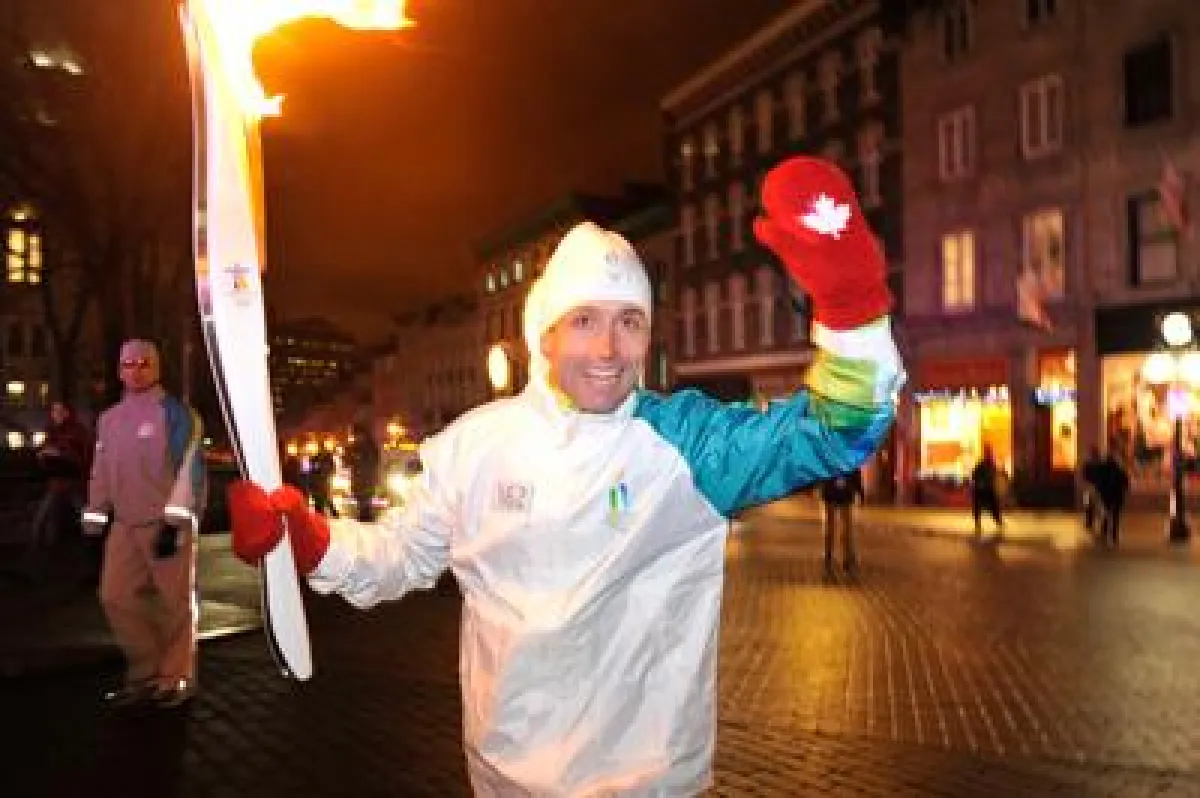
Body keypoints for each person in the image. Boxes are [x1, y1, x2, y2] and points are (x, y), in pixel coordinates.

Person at [228, 156, 904, 795]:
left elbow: (836, 431)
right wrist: (309, 538)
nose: (608, 349)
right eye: (584, 321)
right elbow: (397, 558)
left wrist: (852, 306)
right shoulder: (476, 446)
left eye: (629, 322)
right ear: (544, 335)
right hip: (507, 777)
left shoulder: (688, 445)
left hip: (648, 785)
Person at [82, 339, 207, 709]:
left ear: (157, 367)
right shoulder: (109, 419)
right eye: (128, 364)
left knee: (176, 604)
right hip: (124, 524)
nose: (135, 371)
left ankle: (176, 677)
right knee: (114, 596)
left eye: (144, 363)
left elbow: (190, 470)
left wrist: (175, 521)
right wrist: (95, 515)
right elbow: (100, 470)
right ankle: (146, 671)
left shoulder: (178, 414)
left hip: (165, 523)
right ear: (119, 369)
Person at [26, 401, 93, 570]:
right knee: (46, 519)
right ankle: (44, 556)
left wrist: (61, 454)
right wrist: (44, 456)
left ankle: (94, 548)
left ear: (67, 412)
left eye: (60, 411)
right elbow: (43, 456)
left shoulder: (77, 431)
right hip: (57, 483)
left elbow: (83, 458)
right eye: (54, 411)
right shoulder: (51, 431)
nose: (56, 414)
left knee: (85, 515)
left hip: (74, 482)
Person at [820, 467, 865, 573]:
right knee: (846, 525)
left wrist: (822, 488)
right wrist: (860, 491)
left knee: (830, 524)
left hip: (830, 491)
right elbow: (856, 473)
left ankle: (828, 554)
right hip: (845, 492)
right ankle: (847, 556)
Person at [345, 422, 381, 522]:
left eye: (357, 435)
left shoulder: (369, 446)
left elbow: (373, 460)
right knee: (360, 497)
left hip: (366, 477)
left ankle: (366, 515)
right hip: (358, 476)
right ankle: (364, 514)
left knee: (365, 496)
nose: (356, 437)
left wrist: (358, 459)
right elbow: (347, 461)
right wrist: (350, 455)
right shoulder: (354, 447)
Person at [1095, 451, 1130, 548]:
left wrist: (1100, 492)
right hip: (1117, 496)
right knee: (1115, 516)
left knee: (1106, 513)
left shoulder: (1102, 470)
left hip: (1106, 496)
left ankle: (1105, 530)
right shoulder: (1120, 470)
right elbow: (1126, 483)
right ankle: (1114, 534)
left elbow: (1098, 483)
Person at [970, 445, 1005, 539]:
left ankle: (998, 521)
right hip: (981, 489)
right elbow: (974, 475)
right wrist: (980, 482)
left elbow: (995, 475)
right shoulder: (981, 465)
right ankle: (978, 523)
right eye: (989, 453)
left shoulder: (991, 465)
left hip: (988, 488)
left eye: (990, 453)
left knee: (993, 505)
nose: (990, 455)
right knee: (979, 506)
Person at [1081, 446, 1104, 533]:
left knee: (1089, 505)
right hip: (1098, 487)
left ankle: (1089, 521)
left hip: (1090, 487)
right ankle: (1099, 523)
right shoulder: (1101, 464)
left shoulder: (1088, 464)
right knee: (1097, 506)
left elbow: (1084, 475)